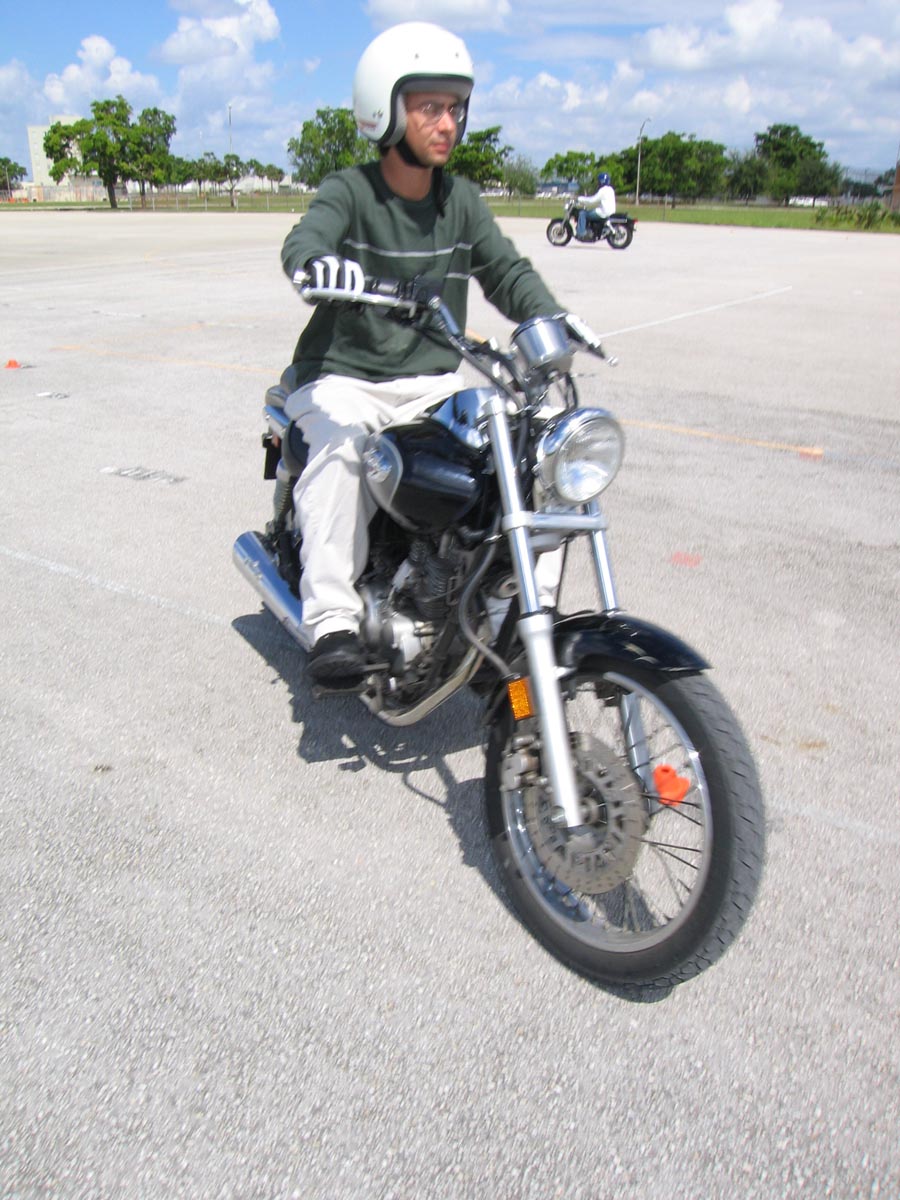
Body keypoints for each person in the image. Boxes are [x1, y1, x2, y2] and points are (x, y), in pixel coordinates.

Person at [280, 21, 583, 687]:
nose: (447, 123)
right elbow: (306, 242)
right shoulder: (351, 190)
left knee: (531, 452)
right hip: (345, 379)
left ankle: (514, 615)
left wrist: (550, 318)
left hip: (432, 381)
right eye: (429, 108)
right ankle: (332, 619)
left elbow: (506, 271)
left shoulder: (461, 200)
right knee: (341, 449)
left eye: (455, 108)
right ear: (385, 110)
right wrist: (318, 266)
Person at [575, 172, 616, 239]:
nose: (598, 183)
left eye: (598, 181)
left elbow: (592, 200)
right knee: (589, 211)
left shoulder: (602, 190)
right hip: (610, 211)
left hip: (603, 212)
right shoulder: (610, 189)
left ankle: (581, 233)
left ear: (601, 181)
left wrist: (580, 199)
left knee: (582, 213)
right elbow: (599, 201)